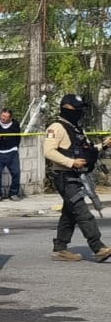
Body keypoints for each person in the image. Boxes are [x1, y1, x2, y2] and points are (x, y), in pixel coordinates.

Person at [42, 95, 111, 263]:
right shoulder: (56, 127)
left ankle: (60, 248)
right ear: (66, 108)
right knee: (82, 212)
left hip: (76, 176)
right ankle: (98, 247)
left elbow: (85, 149)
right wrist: (71, 162)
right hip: (64, 176)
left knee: (69, 214)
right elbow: (48, 151)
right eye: (76, 109)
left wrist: (104, 145)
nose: (80, 112)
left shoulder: (77, 128)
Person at [0, 108, 23, 200]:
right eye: (2, 116)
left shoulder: (15, 124)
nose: (3, 118)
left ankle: (13, 193)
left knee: (16, 173)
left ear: (11, 118)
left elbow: (18, 138)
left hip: (12, 152)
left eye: (6, 117)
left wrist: (15, 148)